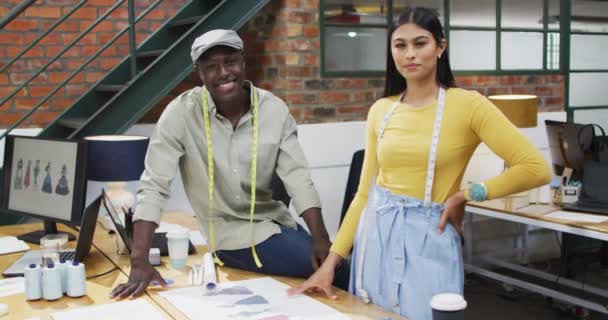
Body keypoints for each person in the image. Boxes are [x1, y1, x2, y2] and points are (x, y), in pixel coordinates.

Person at [288, 7, 551, 320]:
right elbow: (363, 196)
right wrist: (331, 265)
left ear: (440, 47)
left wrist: (467, 194)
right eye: (400, 45)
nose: (409, 54)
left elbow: (535, 167)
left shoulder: (469, 105)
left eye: (420, 43)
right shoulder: (380, 111)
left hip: (431, 240)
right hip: (376, 240)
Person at [111, 29, 349, 300]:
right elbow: (154, 185)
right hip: (229, 236)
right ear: (199, 73)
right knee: (342, 274)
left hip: (276, 224)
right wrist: (139, 259)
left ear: (243, 61)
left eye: (230, 61)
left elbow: (297, 177)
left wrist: (320, 237)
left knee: (335, 266)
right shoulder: (181, 114)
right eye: (211, 67)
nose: (223, 72)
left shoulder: (274, 109)